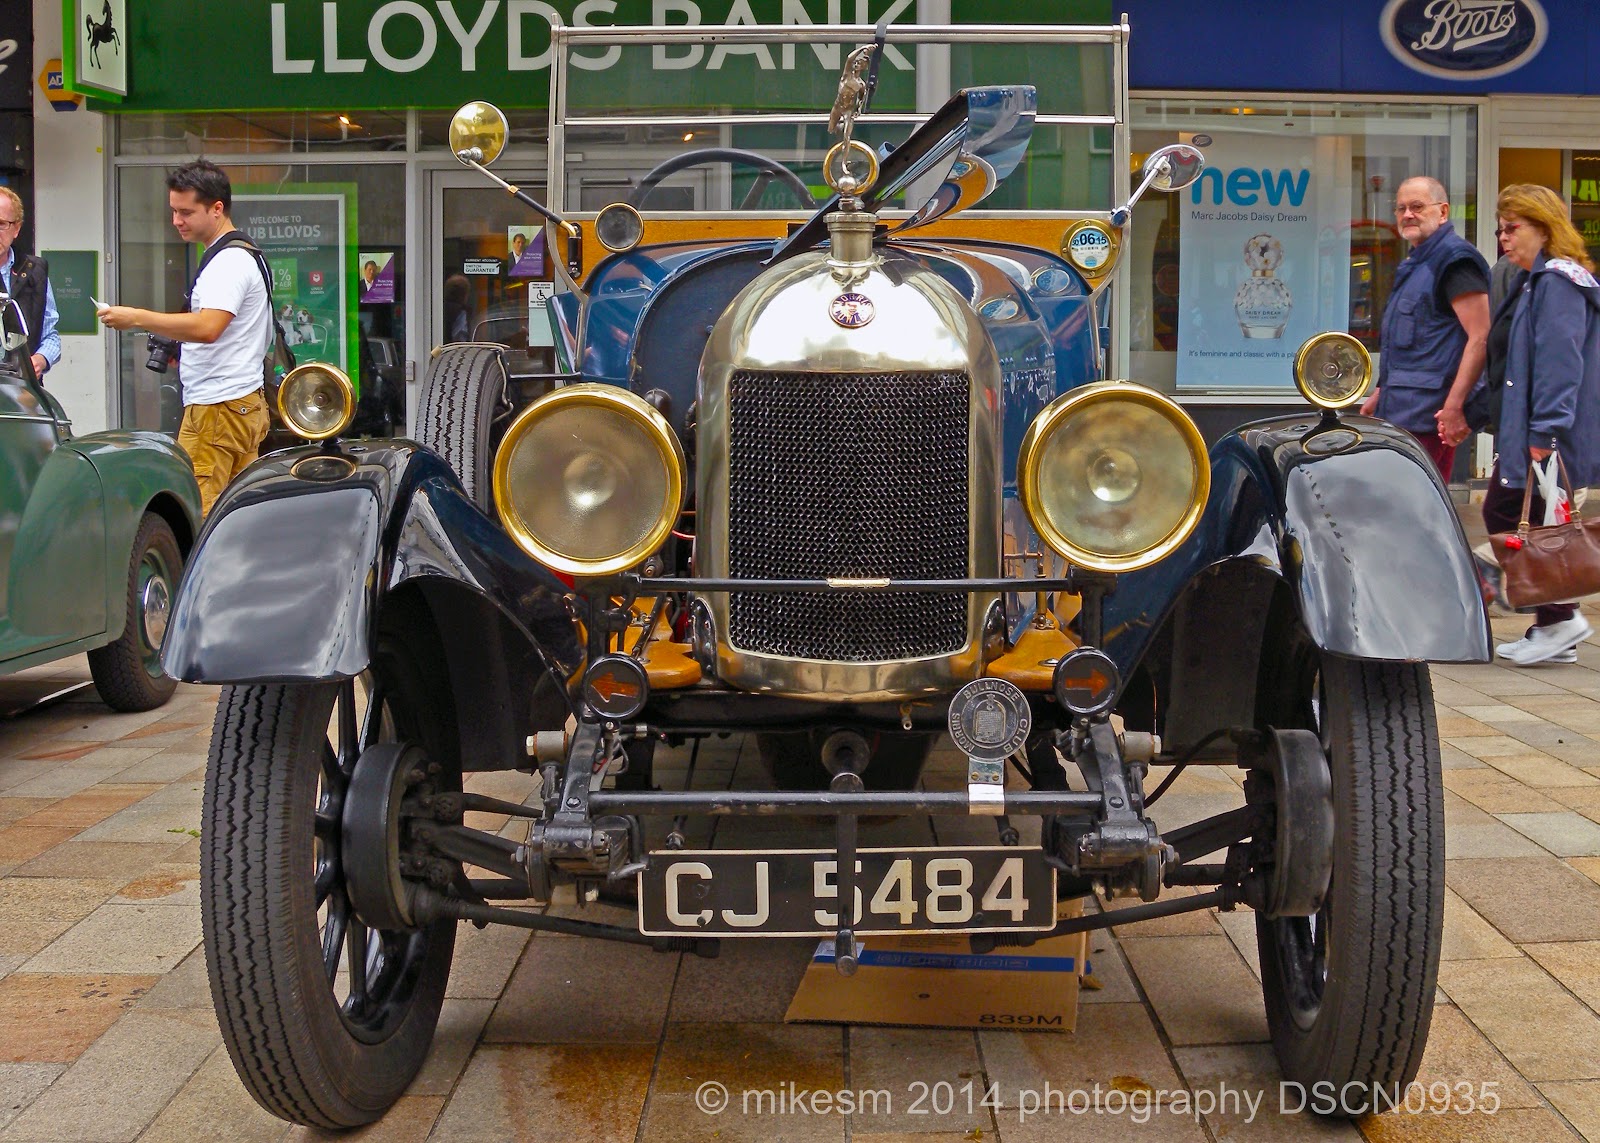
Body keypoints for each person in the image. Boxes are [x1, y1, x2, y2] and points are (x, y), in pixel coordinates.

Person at [99, 159, 272, 517]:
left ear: (217, 208)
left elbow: (209, 328)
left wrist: (136, 317)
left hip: (216, 408)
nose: (176, 220)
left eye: (186, 212)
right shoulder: (242, 254)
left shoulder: (228, 263)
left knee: (199, 515)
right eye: (173, 211)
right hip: (239, 402)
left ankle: (202, 577)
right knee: (236, 517)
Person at [1480, 184, 1600, 665]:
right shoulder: (1536, 280)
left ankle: (1560, 619)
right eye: (1500, 229)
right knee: (1530, 522)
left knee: (1512, 518)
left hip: (1545, 432)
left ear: (1544, 227)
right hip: (1531, 429)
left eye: (1513, 228)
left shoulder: (1555, 282)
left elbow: (1559, 361)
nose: (1503, 238)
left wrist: (1545, 433)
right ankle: (1555, 628)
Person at [1359, 176, 1490, 478]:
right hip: (1402, 412)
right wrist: (1382, 391)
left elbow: (1480, 337)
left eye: (1417, 206)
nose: (1407, 215)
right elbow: (1410, 344)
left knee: (1419, 511)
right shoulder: (1417, 263)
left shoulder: (1455, 261)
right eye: (1401, 208)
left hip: (1429, 417)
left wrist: (1455, 407)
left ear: (1443, 212)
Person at [0, 188, 61, 383]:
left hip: (21, 393)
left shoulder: (35, 271)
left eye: (1, 224)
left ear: (16, 228)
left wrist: (41, 360)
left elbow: (50, 335)